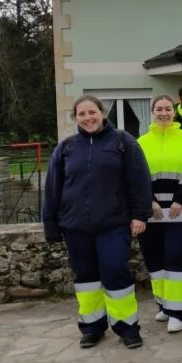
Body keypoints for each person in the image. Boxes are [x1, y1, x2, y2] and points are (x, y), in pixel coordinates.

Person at [42, 95, 152, 349]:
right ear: (75, 118)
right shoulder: (66, 147)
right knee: (86, 278)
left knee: (115, 272)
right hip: (75, 226)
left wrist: (140, 214)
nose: (88, 118)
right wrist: (51, 225)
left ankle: (127, 327)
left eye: (92, 112)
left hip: (114, 224)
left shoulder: (123, 142)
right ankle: (92, 327)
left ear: (102, 113)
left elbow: (139, 180)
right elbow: (52, 189)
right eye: (81, 114)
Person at [137, 95, 182, 333]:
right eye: (159, 109)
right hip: (151, 211)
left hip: (179, 211)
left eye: (168, 109)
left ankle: (177, 312)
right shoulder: (141, 142)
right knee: (154, 259)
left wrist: (180, 199)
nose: (163, 113)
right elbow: (137, 177)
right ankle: (163, 305)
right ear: (152, 112)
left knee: (176, 256)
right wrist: (149, 201)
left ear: (174, 112)